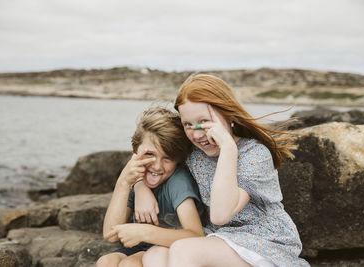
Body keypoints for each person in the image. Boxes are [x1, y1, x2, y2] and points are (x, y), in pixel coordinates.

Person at [135, 74, 310, 267]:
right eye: (188, 125)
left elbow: (220, 215)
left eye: (204, 121)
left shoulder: (255, 154)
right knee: (155, 255)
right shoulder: (194, 153)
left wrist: (228, 147)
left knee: (183, 249)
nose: (198, 133)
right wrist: (140, 187)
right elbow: (151, 154)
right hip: (220, 238)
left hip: (264, 242)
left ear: (228, 115)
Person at [96, 107, 204, 267]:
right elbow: (110, 235)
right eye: (149, 154)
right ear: (135, 151)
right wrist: (125, 182)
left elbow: (196, 236)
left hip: (169, 247)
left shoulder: (178, 181)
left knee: (130, 264)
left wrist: (144, 232)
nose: (157, 166)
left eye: (167, 158)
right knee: (105, 262)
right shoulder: (135, 178)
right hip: (141, 245)